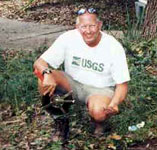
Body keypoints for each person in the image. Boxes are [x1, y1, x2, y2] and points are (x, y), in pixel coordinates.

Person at [33, 7, 130, 139]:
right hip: (73, 84)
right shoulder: (68, 38)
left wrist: (114, 103)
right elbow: (39, 62)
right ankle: (61, 121)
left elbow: (122, 84)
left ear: (100, 25)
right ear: (77, 26)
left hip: (100, 89)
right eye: (84, 26)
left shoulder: (113, 46)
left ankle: (100, 123)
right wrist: (47, 73)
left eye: (92, 26)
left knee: (99, 112)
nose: (88, 31)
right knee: (42, 76)